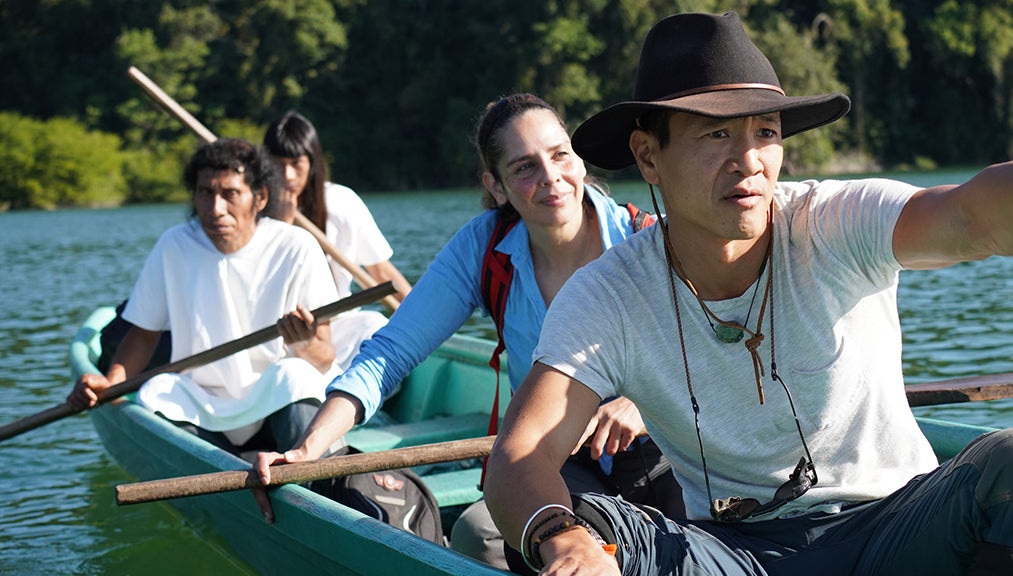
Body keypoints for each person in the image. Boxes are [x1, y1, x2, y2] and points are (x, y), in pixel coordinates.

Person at [483, 11, 1013, 576]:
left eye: (766, 133)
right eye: (716, 133)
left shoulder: (835, 222)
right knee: (583, 532)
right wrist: (559, 536)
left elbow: (972, 217)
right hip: (733, 553)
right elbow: (520, 456)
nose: (748, 159)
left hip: (895, 530)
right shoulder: (609, 294)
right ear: (649, 156)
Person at [254, 93, 685, 566]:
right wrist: (308, 447)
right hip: (559, 459)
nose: (550, 178)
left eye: (560, 155)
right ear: (496, 186)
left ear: (579, 160)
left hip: (668, 447)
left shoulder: (649, 236)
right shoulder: (484, 249)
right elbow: (390, 353)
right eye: (524, 168)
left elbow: (721, 352)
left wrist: (640, 404)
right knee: (482, 535)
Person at [67, 138, 341, 456]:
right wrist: (111, 382)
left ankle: (303, 480)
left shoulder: (296, 247)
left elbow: (324, 356)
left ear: (261, 197)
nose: (215, 209)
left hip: (274, 398)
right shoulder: (175, 246)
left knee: (295, 375)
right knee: (158, 391)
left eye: (230, 194)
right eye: (205, 193)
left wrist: (304, 342)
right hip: (202, 399)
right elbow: (143, 335)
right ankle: (224, 477)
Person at [263, 111, 413, 368]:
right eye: (278, 164)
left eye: (296, 164)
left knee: (374, 325)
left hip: (334, 329)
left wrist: (422, 319)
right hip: (271, 331)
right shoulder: (249, 209)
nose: (287, 175)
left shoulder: (341, 202)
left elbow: (380, 271)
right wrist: (280, 222)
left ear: (312, 164)